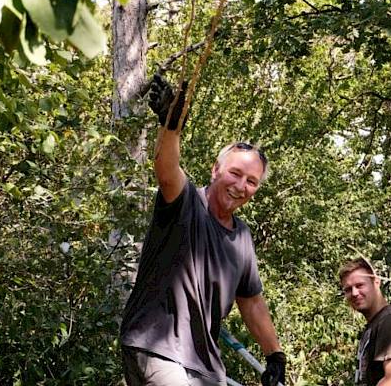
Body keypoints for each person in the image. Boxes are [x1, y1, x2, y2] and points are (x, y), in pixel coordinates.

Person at [120, 74, 286, 386]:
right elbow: (166, 169)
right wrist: (171, 125)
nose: (241, 186)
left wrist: (275, 354)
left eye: (251, 181)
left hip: (204, 365)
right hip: (157, 347)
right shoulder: (185, 202)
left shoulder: (243, 238)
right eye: (235, 174)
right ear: (215, 170)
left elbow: (251, 302)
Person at [339, 258, 391, 386]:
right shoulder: (375, 323)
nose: (354, 293)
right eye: (348, 289)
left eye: (360, 285)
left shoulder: (390, 322)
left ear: (376, 282)